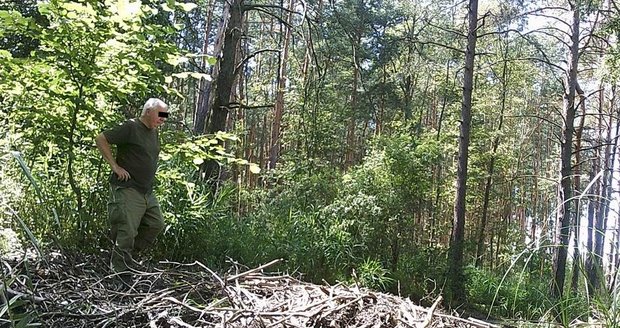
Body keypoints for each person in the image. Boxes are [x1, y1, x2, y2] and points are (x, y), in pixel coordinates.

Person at [95, 98, 169, 278]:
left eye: (165, 116)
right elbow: (101, 138)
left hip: (146, 191)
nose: (163, 119)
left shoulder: (153, 132)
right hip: (128, 188)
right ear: (148, 111)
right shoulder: (131, 127)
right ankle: (120, 274)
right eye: (161, 114)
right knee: (126, 231)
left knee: (156, 224)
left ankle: (127, 258)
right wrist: (115, 166)